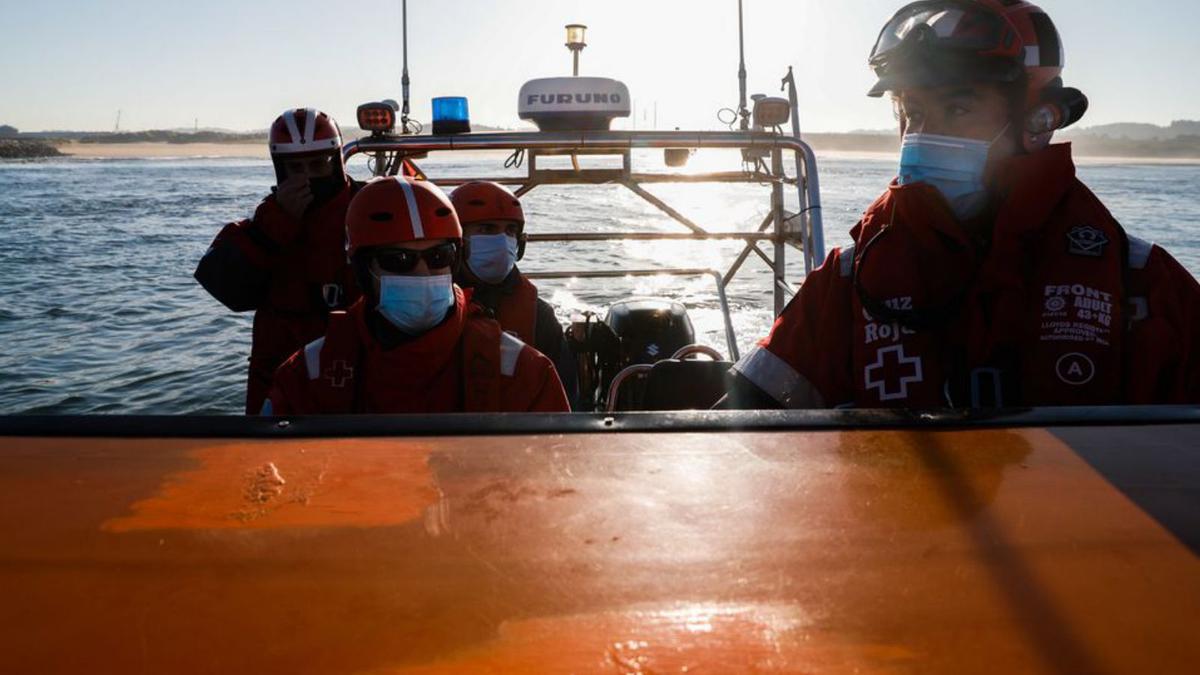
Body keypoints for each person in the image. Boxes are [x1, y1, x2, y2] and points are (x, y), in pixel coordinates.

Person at [723, 0, 1200, 409]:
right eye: (912, 113)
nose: (922, 136)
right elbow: (743, 432)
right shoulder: (849, 281)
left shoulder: (1142, 285)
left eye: (957, 108)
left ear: (1039, 120)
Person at [262, 176, 570, 415]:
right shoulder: (307, 376)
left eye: (439, 257)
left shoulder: (523, 371)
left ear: (457, 259)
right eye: (398, 261)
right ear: (363, 271)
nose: (423, 273)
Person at [194, 108, 361, 414]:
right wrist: (275, 227)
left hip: (358, 367)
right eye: (296, 168)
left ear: (335, 162)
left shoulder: (368, 208)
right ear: (280, 170)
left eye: (317, 165)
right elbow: (227, 288)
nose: (308, 177)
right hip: (279, 371)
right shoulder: (265, 221)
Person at [450, 181, 579, 408]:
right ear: (457, 240)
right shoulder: (432, 307)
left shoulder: (540, 315)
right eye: (487, 229)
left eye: (510, 231)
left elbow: (565, 395)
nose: (501, 241)